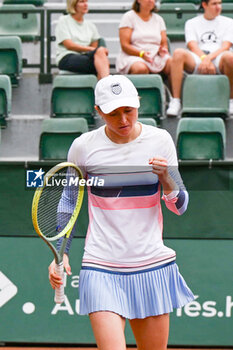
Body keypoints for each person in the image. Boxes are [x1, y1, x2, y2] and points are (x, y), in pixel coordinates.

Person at [49, 75, 194, 350]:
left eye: (128, 110)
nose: (123, 120)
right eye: (113, 113)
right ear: (99, 111)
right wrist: (61, 251)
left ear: (138, 104)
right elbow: (69, 201)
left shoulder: (160, 140)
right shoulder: (83, 146)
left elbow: (180, 206)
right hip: (101, 265)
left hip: (150, 265)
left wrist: (166, 179)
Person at [167, 0, 233, 116]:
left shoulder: (229, 22)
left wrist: (208, 59)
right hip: (198, 57)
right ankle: (176, 101)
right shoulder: (192, 22)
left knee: (230, 57)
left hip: (219, 57)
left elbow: (226, 46)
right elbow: (192, 45)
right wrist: (204, 58)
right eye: (214, 4)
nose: (218, 7)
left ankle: (231, 100)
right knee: (178, 53)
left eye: (220, 3)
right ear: (204, 5)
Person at [55, 0, 109, 79]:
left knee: (100, 55)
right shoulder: (63, 21)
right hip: (67, 56)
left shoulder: (91, 25)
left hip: (85, 56)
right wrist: (91, 49)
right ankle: (105, 86)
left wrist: (97, 50)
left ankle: (103, 86)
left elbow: (95, 48)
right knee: (101, 64)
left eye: (86, 1)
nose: (85, 4)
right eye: (82, 2)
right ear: (73, 5)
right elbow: (69, 45)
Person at [115, 0, 171, 77]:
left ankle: (174, 89)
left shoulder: (159, 19)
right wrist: (141, 54)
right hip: (134, 56)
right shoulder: (128, 17)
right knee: (141, 68)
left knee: (173, 63)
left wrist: (163, 50)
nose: (151, 1)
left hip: (155, 56)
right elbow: (125, 45)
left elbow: (164, 43)